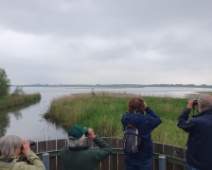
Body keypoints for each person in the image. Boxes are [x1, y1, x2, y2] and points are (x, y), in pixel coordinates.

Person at [121, 97, 162, 170]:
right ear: (142, 106)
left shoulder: (125, 118)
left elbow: (129, 114)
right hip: (144, 155)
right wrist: (147, 108)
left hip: (129, 155)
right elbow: (158, 119)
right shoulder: (146, 120)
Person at [177, 94, 212, 170]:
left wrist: (188, 108)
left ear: (200, 105)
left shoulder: (197, 121)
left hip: (198, 165)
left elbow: (181, 123)